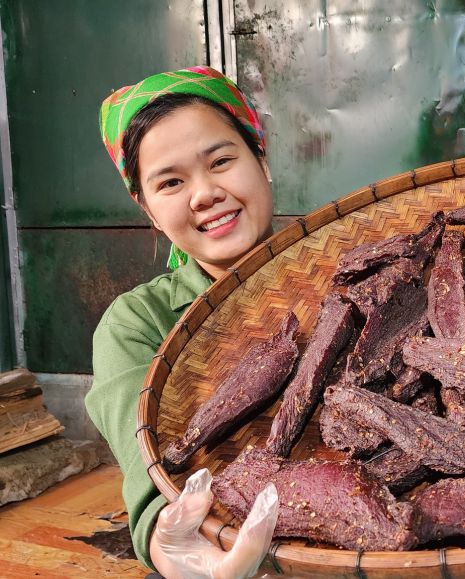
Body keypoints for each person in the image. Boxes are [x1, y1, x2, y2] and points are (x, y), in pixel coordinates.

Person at [88, 67, 282, 578]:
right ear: (148, 208)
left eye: (221, 161)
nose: (204, 193)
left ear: (261, 160)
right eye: (171, 182)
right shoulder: (137, 324)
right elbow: (146, 461)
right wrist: (166, 536)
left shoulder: (351, 265)